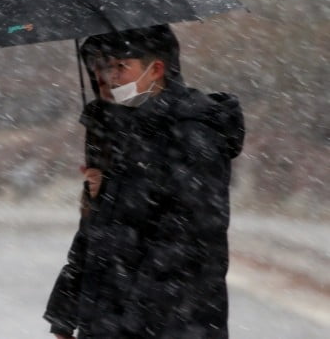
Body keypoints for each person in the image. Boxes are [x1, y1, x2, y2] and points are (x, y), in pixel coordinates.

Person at [43, 24, 245, 339]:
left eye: (119, 67)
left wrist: (132, 323)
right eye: (99, 68)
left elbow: (189, 242)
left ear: (157, 70)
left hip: (169, 326)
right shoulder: (116, 131)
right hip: (111, 322)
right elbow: (96, 236)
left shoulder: (194, 132)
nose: (106, 77)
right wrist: (64, 317)